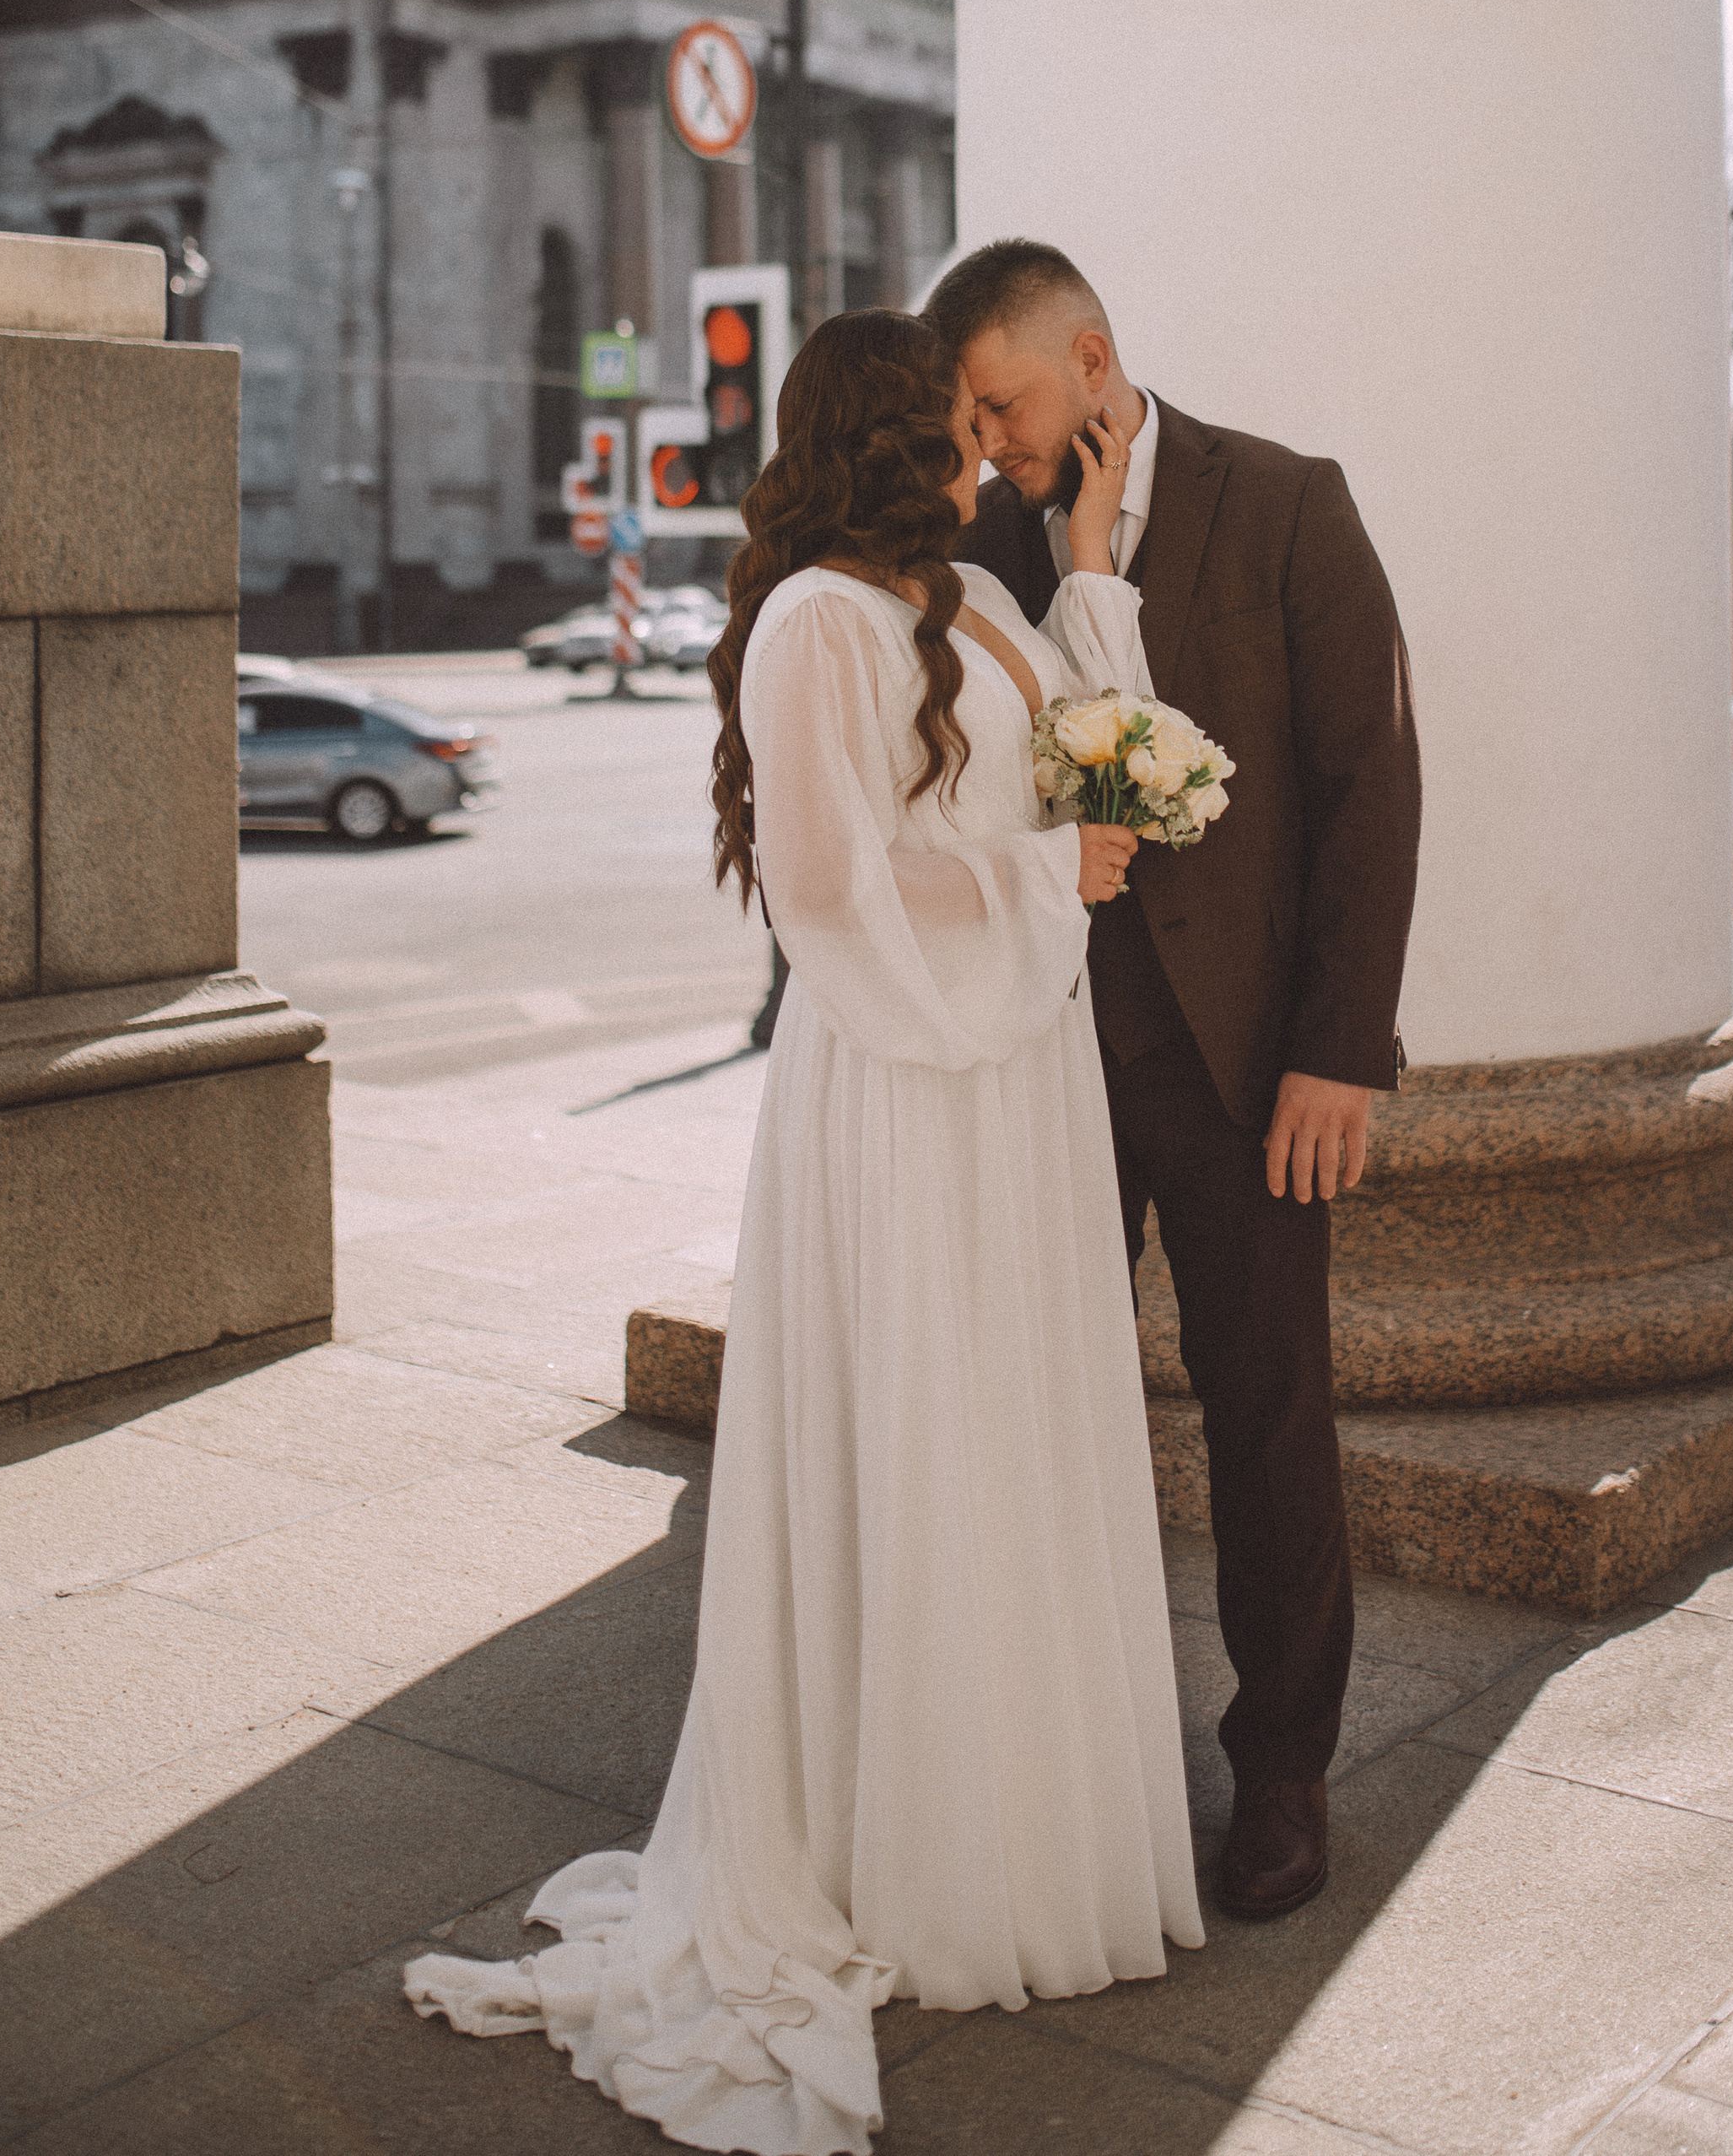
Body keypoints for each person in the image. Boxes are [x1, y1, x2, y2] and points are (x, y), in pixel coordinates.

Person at [406, 310, 1201, 2152]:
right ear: (873, 435)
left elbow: (1091, 742)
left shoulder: (976, 598)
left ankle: (1011, 1823)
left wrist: (1086, 577)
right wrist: (1037, 871)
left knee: (1011, 1436)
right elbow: (824, 879)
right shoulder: (815, 620)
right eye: (948, 423)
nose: (975, 449)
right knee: (912, 1431)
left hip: (1016, 1072)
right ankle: (885, 1843)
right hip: (906, 1083)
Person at [926, 240, 1419, 1925]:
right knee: (1031, 1413)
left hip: (1241, 1074)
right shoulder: (978, 547)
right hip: (1035, 1058)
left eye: (1000, 401)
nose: (985, 439)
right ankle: (1051, 1769)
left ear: (1088, 356)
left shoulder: (1287, 505)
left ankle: (1278, 1772)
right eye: (970, 417)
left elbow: (1369, 786)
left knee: (1268, 1420)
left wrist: (1336, 1054)